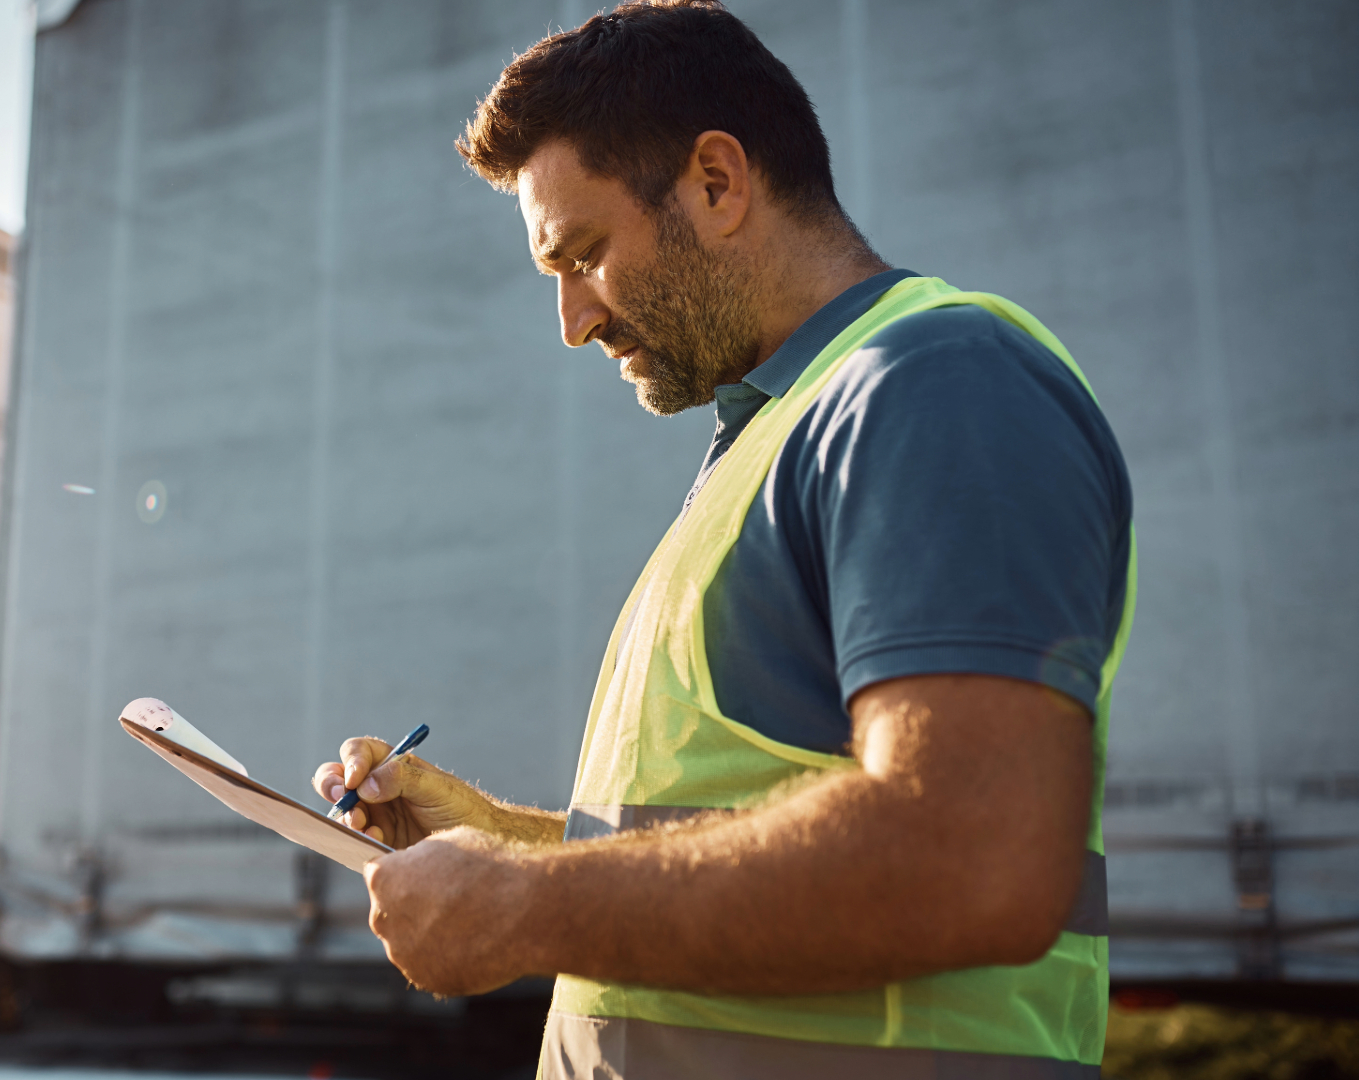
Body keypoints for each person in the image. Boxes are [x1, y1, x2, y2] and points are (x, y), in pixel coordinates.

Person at [311, 2, 1136, 1077]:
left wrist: (525, 905)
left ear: (716, 181)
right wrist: (502, 843)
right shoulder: (773, 438)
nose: (572, 320)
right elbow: (743, 840)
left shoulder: (936, 387)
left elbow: (972, 858)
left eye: (585, 253)